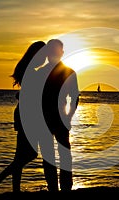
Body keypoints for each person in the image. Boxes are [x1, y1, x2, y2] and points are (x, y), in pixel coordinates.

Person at [0, 41, 46, 194]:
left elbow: (24, 93)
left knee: (20, 155)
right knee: (30, 154)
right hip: (27, 115)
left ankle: (14, 189)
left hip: (23, 113)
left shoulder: (28, 69)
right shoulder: (32, 71)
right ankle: (0, 178)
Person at [41, 39, 79, 192]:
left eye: (55, 51)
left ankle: (64, 187)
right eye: (51, 51)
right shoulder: (42, 72)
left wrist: (68, 117)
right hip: (46, 118)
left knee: (62, 153)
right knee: (52, 155)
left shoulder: (68, 72)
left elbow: (75, 97)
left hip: (58, 117)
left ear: (61, 53)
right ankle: (54, 187)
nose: (53, 55)